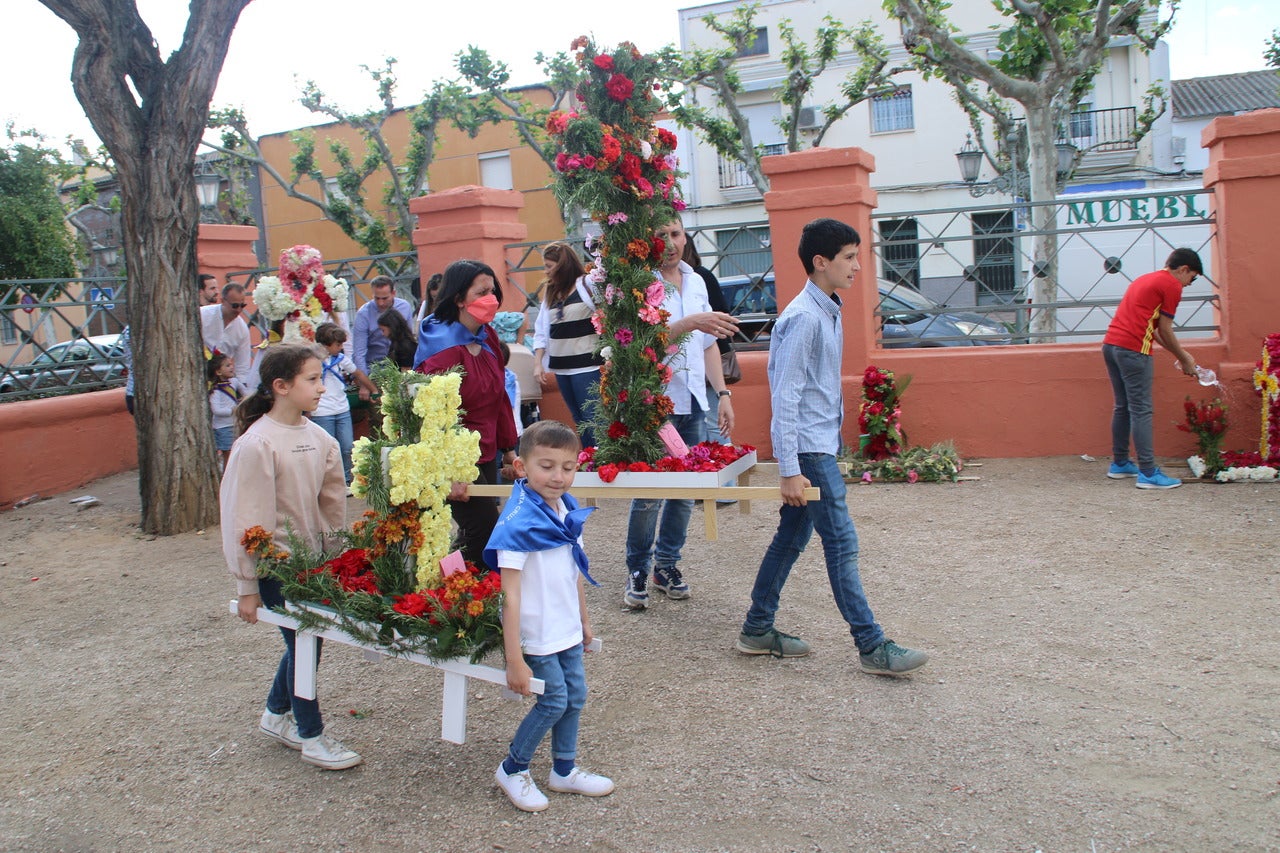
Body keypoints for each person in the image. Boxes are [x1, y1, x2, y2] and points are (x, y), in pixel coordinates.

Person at [735, 218, 929, 677]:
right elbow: (785, 396)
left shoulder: (826, 309)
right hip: (809, 451)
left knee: (793, 536)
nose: (858, 266)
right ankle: (871, 643)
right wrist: (788, 468)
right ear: (821, 262)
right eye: (848, 257)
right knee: (840, 541)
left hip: (814, 446)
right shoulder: (804, 318)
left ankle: (757, 628)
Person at [219, 343, 362, 770]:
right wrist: (247, 586)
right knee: (305, 644)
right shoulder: (256, 445)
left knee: (310, 643)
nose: (323, 387)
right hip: (275, 566)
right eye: (312, 379)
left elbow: (331, 506)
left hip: (313, 564)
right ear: (280, 387)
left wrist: (338, 561)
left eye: (322, 378)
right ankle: (311, 735)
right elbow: (245, 519)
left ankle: (274, 714)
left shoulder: (320, 439)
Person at [483, 420, 614, 812]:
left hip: (567, 628)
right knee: (553, 701)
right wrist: (514, 659)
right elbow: (510, 594)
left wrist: (584, 621)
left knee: (576, 697)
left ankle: (564, 769)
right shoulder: (518, 522)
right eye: (546, 466)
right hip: (536, 633)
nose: (558, 477)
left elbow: (573, 569)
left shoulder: (566, 508)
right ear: (521, 467)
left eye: (568, 467)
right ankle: (513, 767)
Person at [623, 217, 739, 610]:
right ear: (648, 242)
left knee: (687, 493)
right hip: (657, 403)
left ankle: (667, 565)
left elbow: (707, 344)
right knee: (650, 493)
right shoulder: (640, 284)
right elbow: (639, 341)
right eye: (660, 236)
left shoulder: (698, 280)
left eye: (675, 234)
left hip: (694, 400)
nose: (670, 243)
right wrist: (689, 323)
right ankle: (637, 568)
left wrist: (722, 392)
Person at [415, 259, 519, 570]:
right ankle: (450, 588)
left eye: (493, 291)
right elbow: (435, 416)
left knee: (482, 528)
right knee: (483, 528)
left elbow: (499, 397)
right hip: (453, 455)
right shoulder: (442, 349)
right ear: (459, 299)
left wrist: (509, 450)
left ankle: (458, 587)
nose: (492, 299)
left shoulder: (488, 338)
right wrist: (450, 471)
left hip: (484, 448)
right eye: (482, 292)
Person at [1101, 248, 1204, 489]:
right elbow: (1165, 329)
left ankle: (1120, 463)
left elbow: (1154, 328)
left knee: (1123, 406)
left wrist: (1180, 355)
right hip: (1134, 351)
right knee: (1141, 410)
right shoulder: (1172, 285)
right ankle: (1147, 473)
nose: (1190, 284)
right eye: (1193, 277)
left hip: (1111, 346)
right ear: (1184, 269)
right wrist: (1185, 359)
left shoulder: (1146, 278)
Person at [532, 241, 602, 447]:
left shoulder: (587, 285)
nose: (546, 272)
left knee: (594, 420)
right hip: (562, 368)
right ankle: (589, 460)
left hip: (588, 365)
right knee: (579, 420)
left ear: (562, 266)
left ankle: (600, 463)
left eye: (549, 266)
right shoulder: (551, 292)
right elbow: (542, 330)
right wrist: (538, 363)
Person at [684, 240, 739, 503]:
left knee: (714, 425)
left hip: (706, 356)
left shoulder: (698, 278)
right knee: (711, 425)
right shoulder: (699, 276)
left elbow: (720, 318)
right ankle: (718, 488)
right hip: (702, 356)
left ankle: (725, 489)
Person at [312, 322, 378, 487]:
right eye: (338, 344)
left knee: (347, 446)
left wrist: (373, 389)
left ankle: (345, 481)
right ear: (326, 344)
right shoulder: (313, 361)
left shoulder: (341, 359)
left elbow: (358, 374)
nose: (341, 347)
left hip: (341, 409)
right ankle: (328, 483)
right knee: (327, 449)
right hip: (322, 411)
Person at [351, 275, 413, 374]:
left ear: (393, 293)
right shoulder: (363, 314)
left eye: (384, 298)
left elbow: (409, 338)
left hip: (401, 364)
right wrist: (365, 381)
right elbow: (359, 353)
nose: (380, 303)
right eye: (377, 298)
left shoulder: (404, 307)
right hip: (374, 367)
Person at [200, 282, 253, 383]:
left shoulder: (242, 329)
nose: (239, 309)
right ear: (223, 301)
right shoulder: (203, 314)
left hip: (221, 381)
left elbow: (242, 366)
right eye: (235, 305)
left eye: (242, 305)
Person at [208, 351, 247, 472]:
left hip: (235, 424)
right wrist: (232, 410)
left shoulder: (234, 382)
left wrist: (244, 400)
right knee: (228, 455)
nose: (231, 367)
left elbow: (245, 392)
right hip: (223, 427)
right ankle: (226, 476)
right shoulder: (216, 391)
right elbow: (216, 410)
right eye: (227, 365)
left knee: (238, 452)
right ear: (218, 372)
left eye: (231, 365)